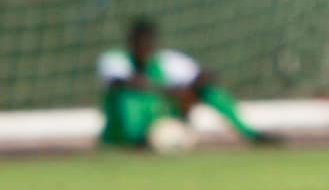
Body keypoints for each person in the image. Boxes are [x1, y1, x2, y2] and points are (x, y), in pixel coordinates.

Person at [98, 18, 279, 148]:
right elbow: (123, 82)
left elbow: (206, 76)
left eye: (148, 42)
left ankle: (250, 133)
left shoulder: (170, 61)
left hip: (163, 116)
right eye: (140, 42)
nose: (145, 47)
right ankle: (135, 139)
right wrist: (168, 90)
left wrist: (191, 89)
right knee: (127, 97)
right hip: (124, 127)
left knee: (209, 91)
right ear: (131, 43)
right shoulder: (115, 60)